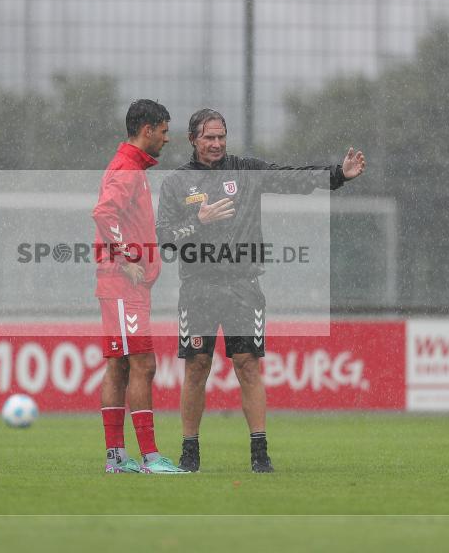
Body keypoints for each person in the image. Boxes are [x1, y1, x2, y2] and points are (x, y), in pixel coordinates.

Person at [156, 108, 366, 472]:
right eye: (209, 137)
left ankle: (259, 453)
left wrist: (337, 175)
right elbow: (164, 239)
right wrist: (197, 221)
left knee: (247, 365)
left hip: (243, 286)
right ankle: (190, 452)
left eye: (221, 136)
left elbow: (290, 178)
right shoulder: (176, 183)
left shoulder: (245, 170)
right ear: (193, 140)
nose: (217, 143)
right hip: (198, 288)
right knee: (197, 367)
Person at [92, 99, 186, 474]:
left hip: (120, 286)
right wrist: (128, 258)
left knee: (119, 367)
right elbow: (103, 212)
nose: (167, 138)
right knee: (143, 365)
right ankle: (149, 457)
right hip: (122, 287)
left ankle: (116, 457)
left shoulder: (131, 167)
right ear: (147, 129)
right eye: (163, 130)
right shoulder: (127, 169)